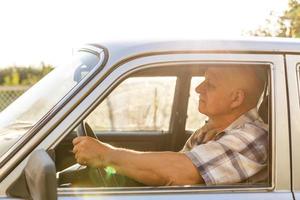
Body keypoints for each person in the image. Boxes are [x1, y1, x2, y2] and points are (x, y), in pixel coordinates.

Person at [72, 66, 268, 186]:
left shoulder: (254, 137)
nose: (198, 88)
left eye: (210, 84)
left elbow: (181, 173)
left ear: (236, 98)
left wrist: (105, 154)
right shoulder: (210, 131)